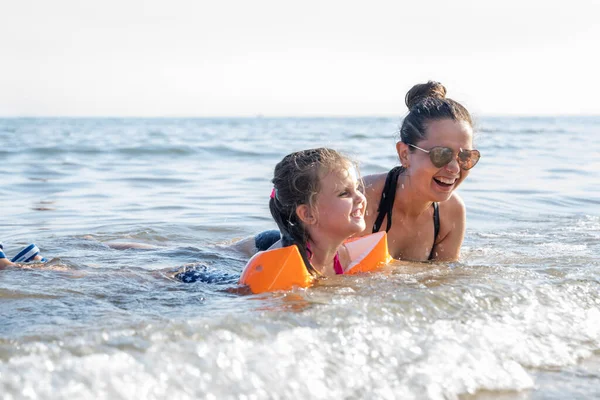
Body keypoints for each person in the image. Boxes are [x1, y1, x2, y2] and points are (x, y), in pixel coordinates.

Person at [360, 81, 480, 261]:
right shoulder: (363, 201)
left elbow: (444, 282)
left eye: (465, 157)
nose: (455, 168)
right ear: (404, 154)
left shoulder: (451, 213)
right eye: (441, 154)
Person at [261, 147, 367, 277]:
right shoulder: (278, 270)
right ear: (308, 214)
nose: (360, 198)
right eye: (344, 193)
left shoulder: (345, 257)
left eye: (357, 188)